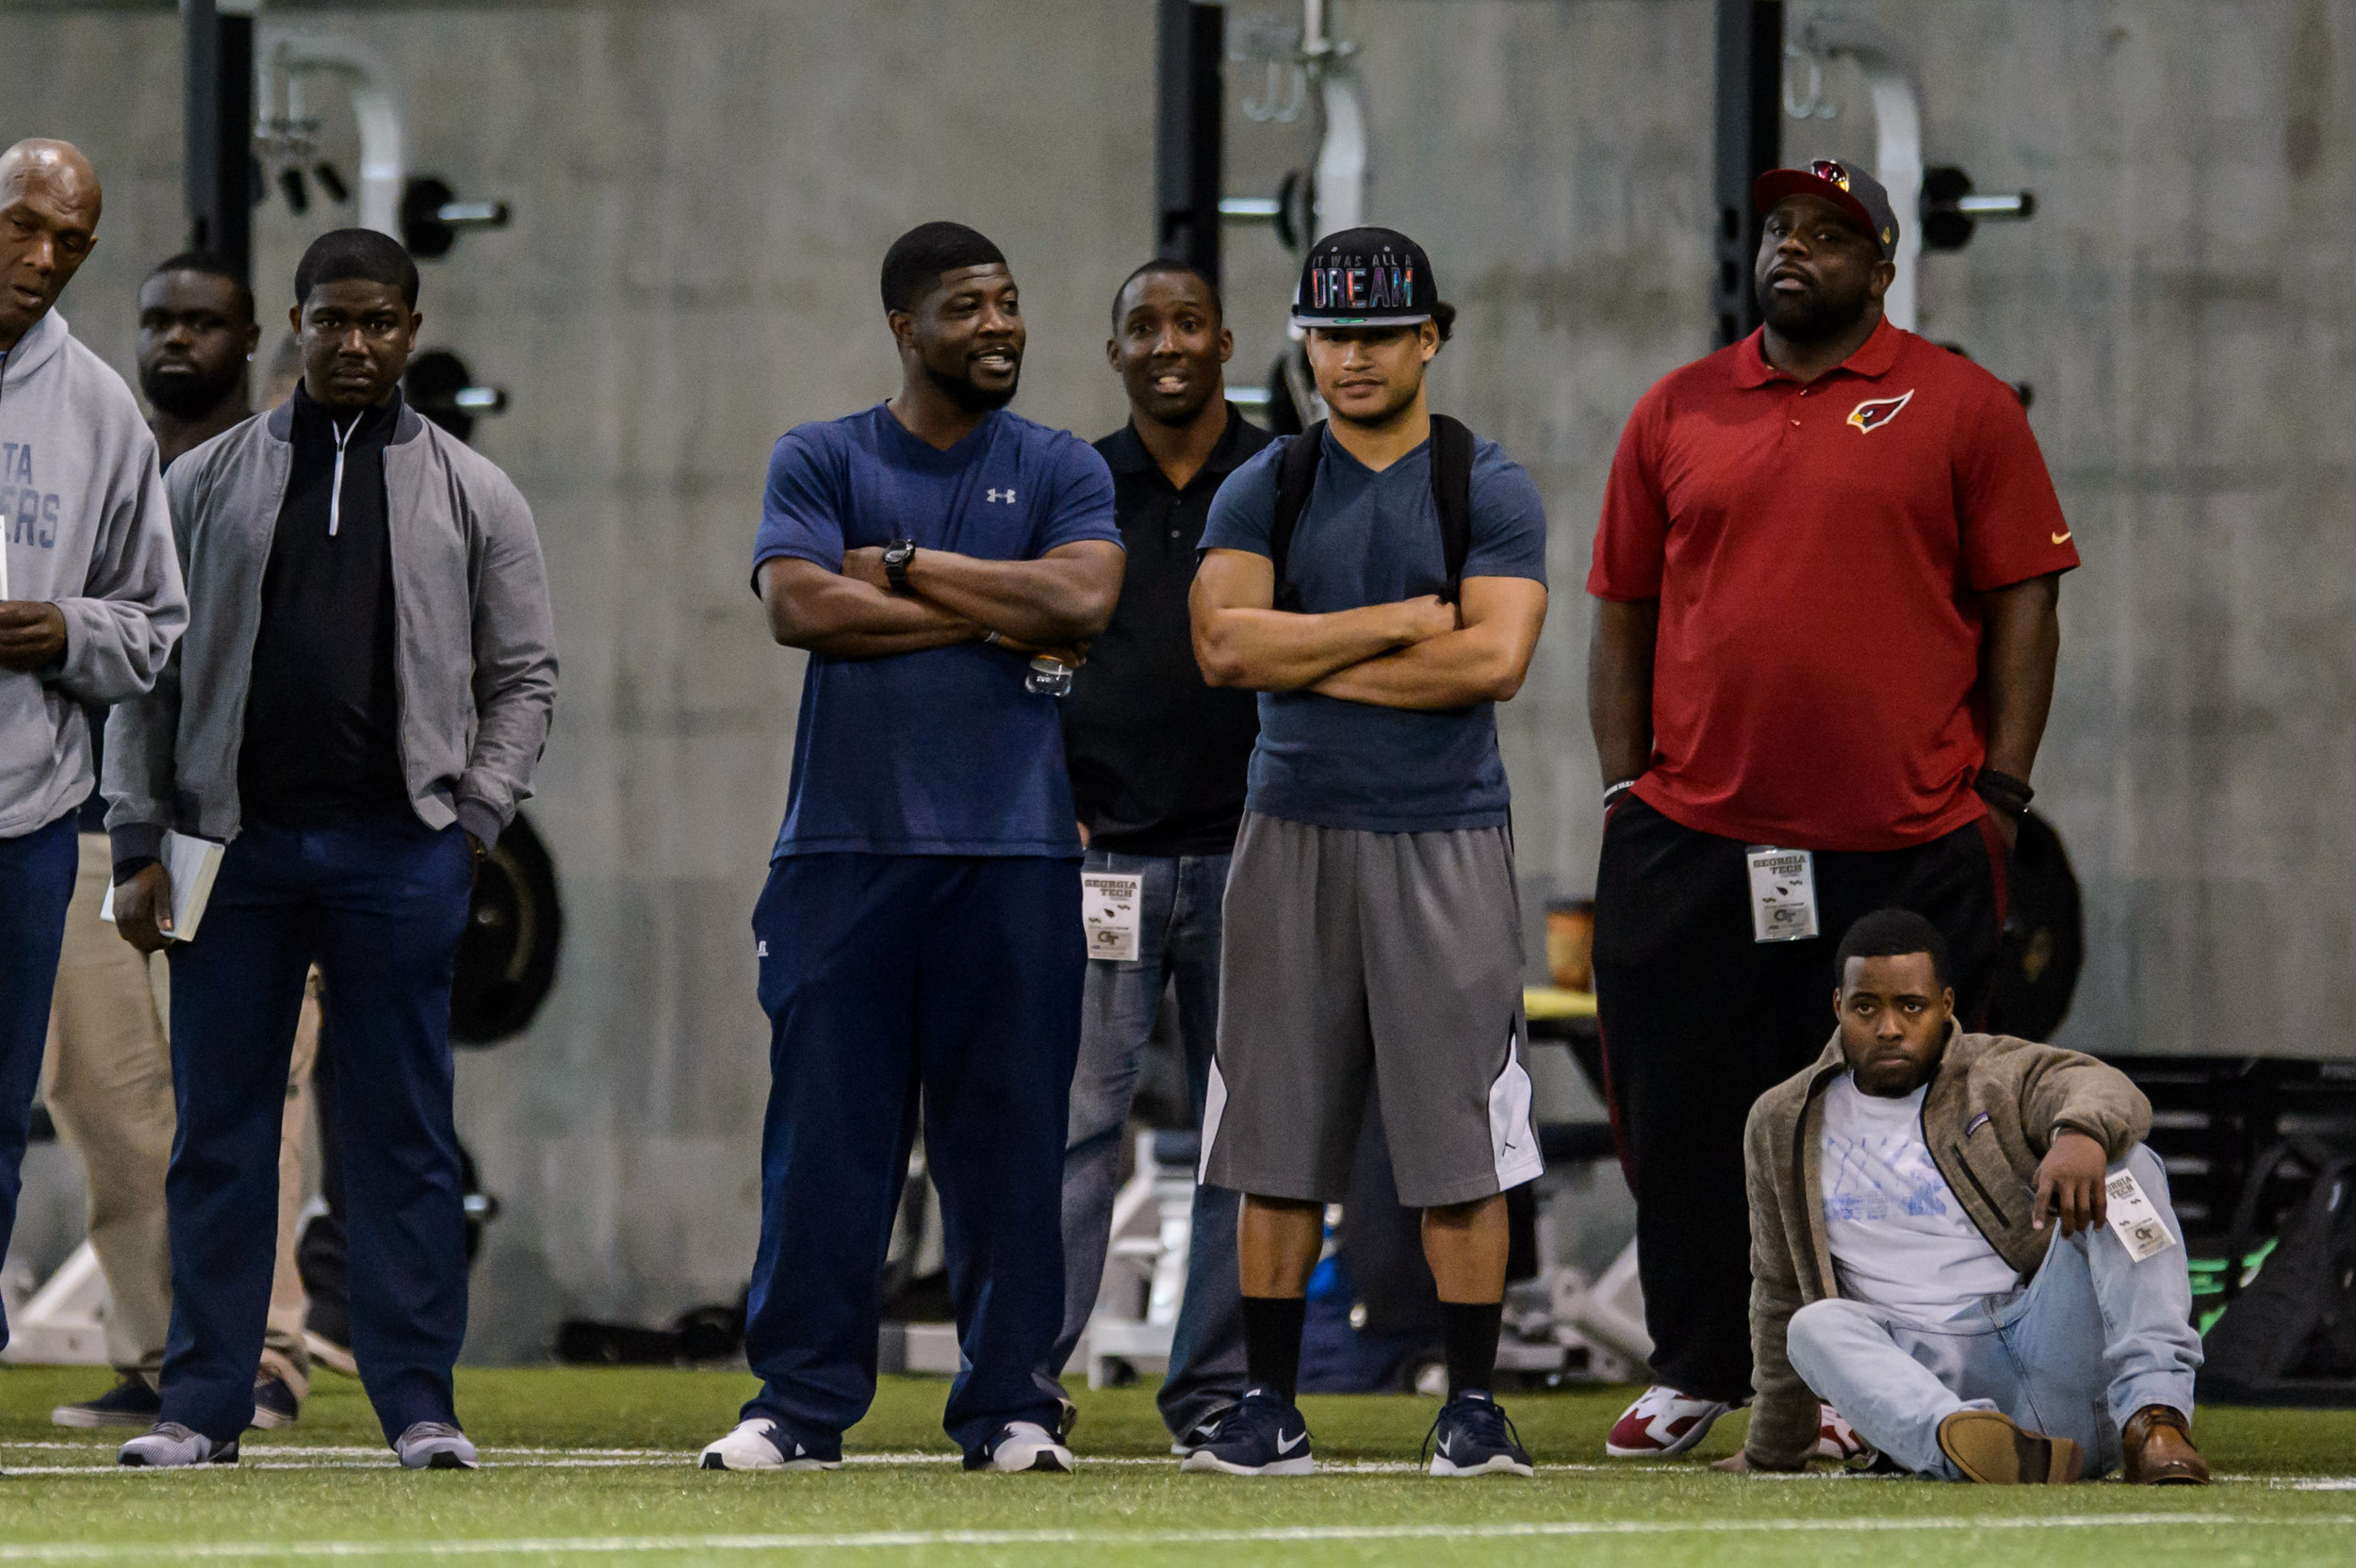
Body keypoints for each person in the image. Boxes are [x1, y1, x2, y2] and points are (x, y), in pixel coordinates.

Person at [1586, 159, 2080, 1459]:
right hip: (1696, 835)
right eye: (1778, 231)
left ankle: (1881, 1389)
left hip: (1906, 839)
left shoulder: (1962, 406)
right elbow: (1623, 605)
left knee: (1893, 1129)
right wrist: (1624, 787)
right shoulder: (1678, 409)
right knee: (1687, 1104)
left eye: (1828, 235)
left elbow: (2027, 600)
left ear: (1882, 262)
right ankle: (1698, 1360)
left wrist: (2004, 794)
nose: (1792, 250)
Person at [106, 228, 558, 1469]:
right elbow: (146, 675)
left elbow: (524, 677)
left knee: (401, 1140)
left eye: (379, 323)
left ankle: (421, 1409)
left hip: (402, 854)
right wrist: (137, 834)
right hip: (233, 856)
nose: (354, 344)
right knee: (220, 1136)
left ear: (411, 329)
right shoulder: (201, 485)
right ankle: (200, 1407)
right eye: (331, 321)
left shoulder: (476, 492)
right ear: (295, 327)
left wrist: (473, 821)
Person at [698, 221, 1123, 1477]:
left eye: (1009, 300)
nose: (998, 324)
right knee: (830, 1145)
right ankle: (798, 1408)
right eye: (966, 306)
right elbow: (797, 607)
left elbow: (1083, 603)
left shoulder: (1058, 466)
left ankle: (1012, 1409)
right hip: (841, 853)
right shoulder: (820, 454)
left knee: (1009, 1149)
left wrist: (897, 569)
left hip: (1018, 856)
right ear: (905, 325)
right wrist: (994, 614)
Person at [1185, 228, 1550, 1478]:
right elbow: (1226, 652)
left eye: (1380, 335)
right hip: (1290, 835)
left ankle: (1474, 1404)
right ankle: (1267, 1403)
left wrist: (1313, 653)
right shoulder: (1268, 484)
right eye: (1333, 335)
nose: (1354, 357)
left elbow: (1494, 662)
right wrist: (1399, 626)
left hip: (1445, 839)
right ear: (1307, 341)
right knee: (1274, 1134)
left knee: (1459, 1138)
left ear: (1429, 338)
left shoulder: (1483, 485)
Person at [49, 251, 323, 1433]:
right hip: (87, 822)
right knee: (104, 1098)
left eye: (204, 322)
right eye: (159, 320)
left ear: (251, 336)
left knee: (254, 1094)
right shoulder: (105, 467)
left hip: (233, 829)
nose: (178, 341)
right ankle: (160, 1345)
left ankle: (263, 1349)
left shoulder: (285, 476)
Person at [1726, 908, 2207, 1484]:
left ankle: (2154, 1418)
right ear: (1838, 1009)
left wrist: (2080, 1133)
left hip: (2048, 1343)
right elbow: (1777, 1290)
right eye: (1865, 1008)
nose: (1888, 1028)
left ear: (1945, 1006)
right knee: (1811, 1326)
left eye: (1911, 1006)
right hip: (1922, 1380)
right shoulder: (1781, 1119)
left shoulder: (1995, 1071)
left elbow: (2101, 1085)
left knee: (2127, 1171)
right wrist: (1772, 1450)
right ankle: (1973, 1446)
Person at [1050, 258, 1267, 1450]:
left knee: (1240, 1132)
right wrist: (1055, 799)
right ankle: (1027, 1383)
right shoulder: (1076, 480)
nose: (1167, 342)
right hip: (1108, 861)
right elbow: (1030, 641)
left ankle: (1215, 1393)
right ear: (1116, 349)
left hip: (1250, 856)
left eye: (1188, 322)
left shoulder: (1281, 473)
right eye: (1143, 325)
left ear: (1224, 341)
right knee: (1075, 1125)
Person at [0, 138, 186, 1380]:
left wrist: (68, 631)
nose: (44, 259)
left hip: (24, 813)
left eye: (72, 244)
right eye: (24, 226)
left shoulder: (98, 408)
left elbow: (156, 626)